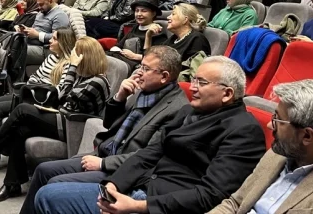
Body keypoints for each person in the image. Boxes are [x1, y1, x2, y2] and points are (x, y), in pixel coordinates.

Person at [34, 56, 266, 214]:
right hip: (139, 188)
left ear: (227, 94)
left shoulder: (243, 130)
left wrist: (138, 206)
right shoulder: (189, 111)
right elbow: (147, 155)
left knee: (49, 197)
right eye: (193, 79)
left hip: (161, 205)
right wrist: (113, 185)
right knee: (49, 192)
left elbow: (211, 196)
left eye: (202, 82)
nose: (192, 87)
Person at [20, 46, 189, 214]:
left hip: (123, 169)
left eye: (145, 68)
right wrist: (120, 96)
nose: (139, 72)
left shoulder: (177, 109)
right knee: (43, 170)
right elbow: (108, 124)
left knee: (54, 184)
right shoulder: (143, 90)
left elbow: (149, 156)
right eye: (140, 66)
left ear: (164, 76)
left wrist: (102, 163)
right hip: (104, 153)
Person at [0, 37, 110, 203]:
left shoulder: (97, 81)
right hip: (61, 119)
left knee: (22, 110)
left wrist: (72, 67)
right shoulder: (83, 76)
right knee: (21, 130)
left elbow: (64, 97)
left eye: (76, 54)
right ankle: (11, 184)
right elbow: (63, 98)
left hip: (73, 127)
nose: (72, 57)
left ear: (86, 57)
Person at [209, 79, 313, 213]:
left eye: (278, 120)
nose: (269, 125)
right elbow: (235, 204)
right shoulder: (279, 153)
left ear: (307, 135)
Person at [0, 28, 77, 173]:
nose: (50, 40)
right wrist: (31, 87)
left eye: (54, 39)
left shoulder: (67, 64)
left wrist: (36, 89)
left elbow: (60, 91)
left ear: (63, 43)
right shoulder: (52, 57)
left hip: (43, 101)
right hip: (30, 94)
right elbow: (36, 76)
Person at [107, 0, 165, 71]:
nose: (139, 14)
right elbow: (118, 46)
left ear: (153, 13)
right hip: (122, 60)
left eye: (144, 11)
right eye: (137, 11)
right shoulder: (135, 27)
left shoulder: (158, 32)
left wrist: (134, 56)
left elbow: (155, 59)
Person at [21, 0, 70, 66]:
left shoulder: (60, 15)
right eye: (38, 5)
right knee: (10, 43)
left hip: (45, 49)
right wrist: (27, 30)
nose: (39, 8)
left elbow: (58, 37)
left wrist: (37, 35)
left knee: (17, 50)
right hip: (30, 43)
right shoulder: (41, 13)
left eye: (41, 5)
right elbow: (35, 28)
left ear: (50, 1)